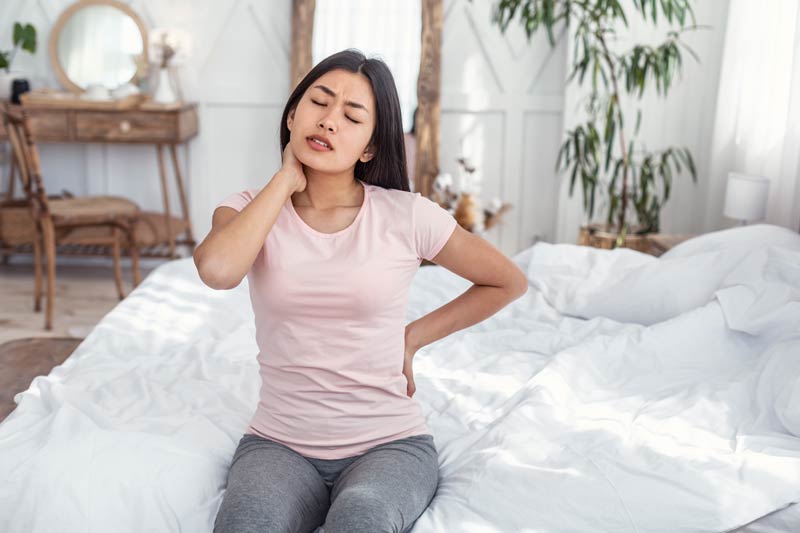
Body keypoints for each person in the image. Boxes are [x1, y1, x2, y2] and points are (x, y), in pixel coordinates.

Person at [193, 49, 528, 533]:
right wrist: (287, 179)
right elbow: (219, 271)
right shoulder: (248, 210)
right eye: (318, 103)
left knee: (361, 521)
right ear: (292, 115)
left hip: (389, 446)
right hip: (277, 445)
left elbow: (507, 280)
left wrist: (412, 337)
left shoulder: (406, 215)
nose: (329, 122)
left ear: (370, 148)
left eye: (352, 116)